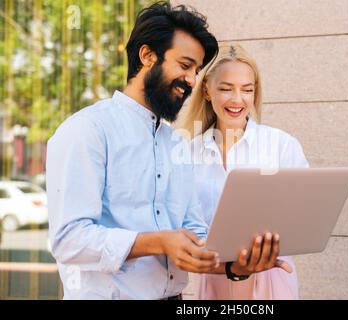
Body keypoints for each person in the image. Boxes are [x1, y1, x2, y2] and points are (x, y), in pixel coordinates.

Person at [46, 3, 286, 300]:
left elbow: (192, 232)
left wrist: (235, 265)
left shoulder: (176, 143)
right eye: (185, 66)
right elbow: (69, 240)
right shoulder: (87, 131)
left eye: (197, 71)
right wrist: (157, 242)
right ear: (147, 56)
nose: (191, 80)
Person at [178, 43, 309, 299]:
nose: (237, 100)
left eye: (247, 90)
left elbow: (303, 213)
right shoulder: (188, 154)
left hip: (272, 276)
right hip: (216, 278)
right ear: (206, 90)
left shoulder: (281, 145)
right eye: (226, 89)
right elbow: (184, 226)